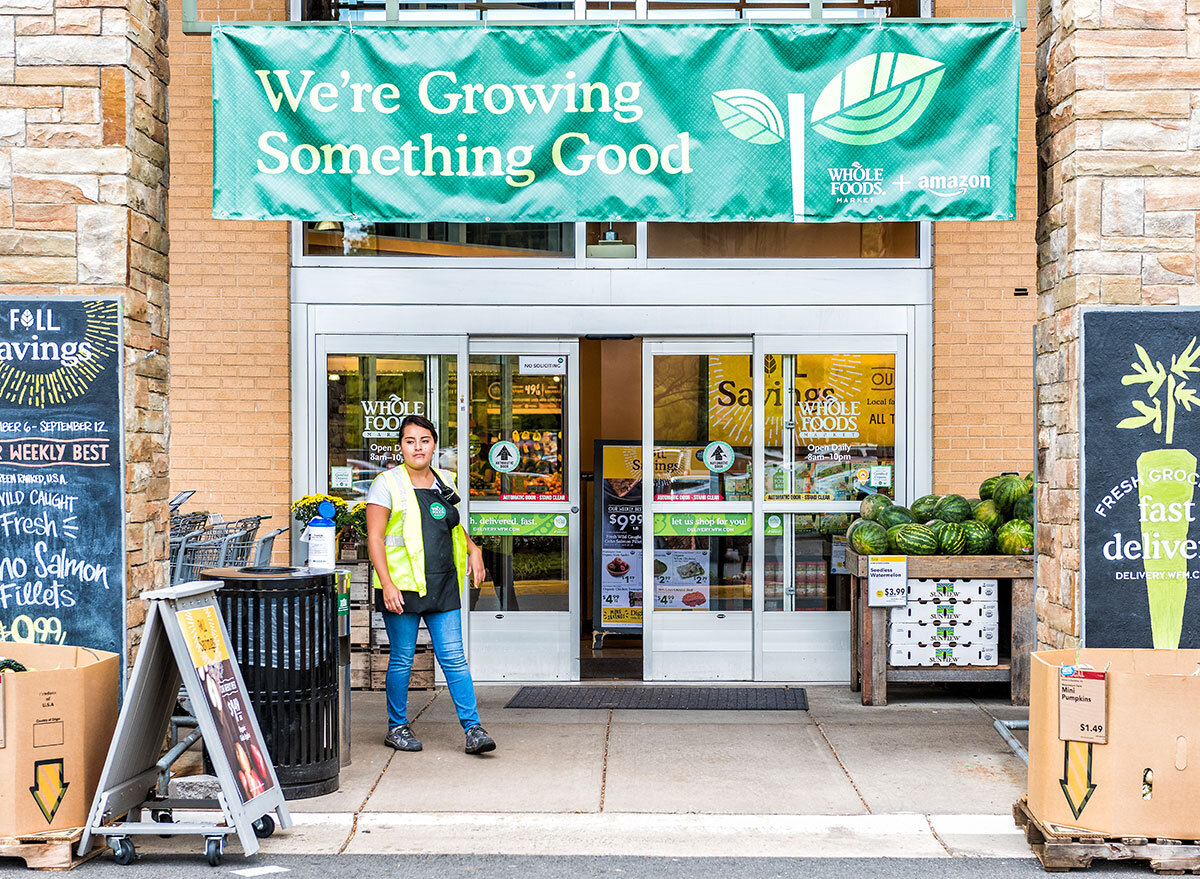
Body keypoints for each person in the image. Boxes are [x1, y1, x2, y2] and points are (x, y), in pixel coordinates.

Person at [365, 414, 496, 755]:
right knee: (402, 659)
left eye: (424, 440)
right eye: (410, 441)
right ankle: (397, 727)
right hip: (403, 587)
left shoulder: (445, 479)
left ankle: (473, 730)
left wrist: (473, 548)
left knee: (454, 658)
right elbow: (375, 540)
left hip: (442, 583)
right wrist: (387, 584)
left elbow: (453, 525)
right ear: (401, 447)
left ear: (434, 444)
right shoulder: (386, 484)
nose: (418, 447)